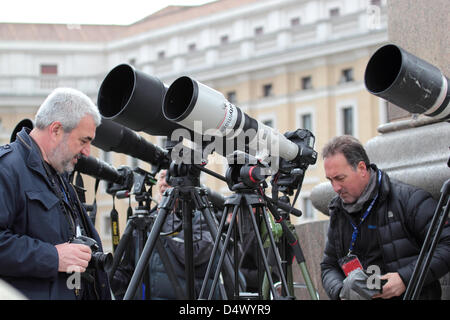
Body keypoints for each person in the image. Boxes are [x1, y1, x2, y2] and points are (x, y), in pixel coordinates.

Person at [0, 87, 111, 300]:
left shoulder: (57, 169)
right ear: (56, 130)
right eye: (84, 140)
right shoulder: (7, 168)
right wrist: (53, 257)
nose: (88, 152)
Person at [320, 135, 450, 300]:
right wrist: (341, 292)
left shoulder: (410, 199)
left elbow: (447, 245)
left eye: (340, 178)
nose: (335, 187)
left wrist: (404, 278)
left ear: (361, 168)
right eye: (330, 180)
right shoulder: (338, 211)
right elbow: (328, 266)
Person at [111, 169, 219, 299]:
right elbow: (128, 271)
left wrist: (166, 216)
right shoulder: (145, 220)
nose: (163, 182)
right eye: (161, 177)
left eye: (169, 177)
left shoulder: (200, 216)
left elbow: (195, 254)